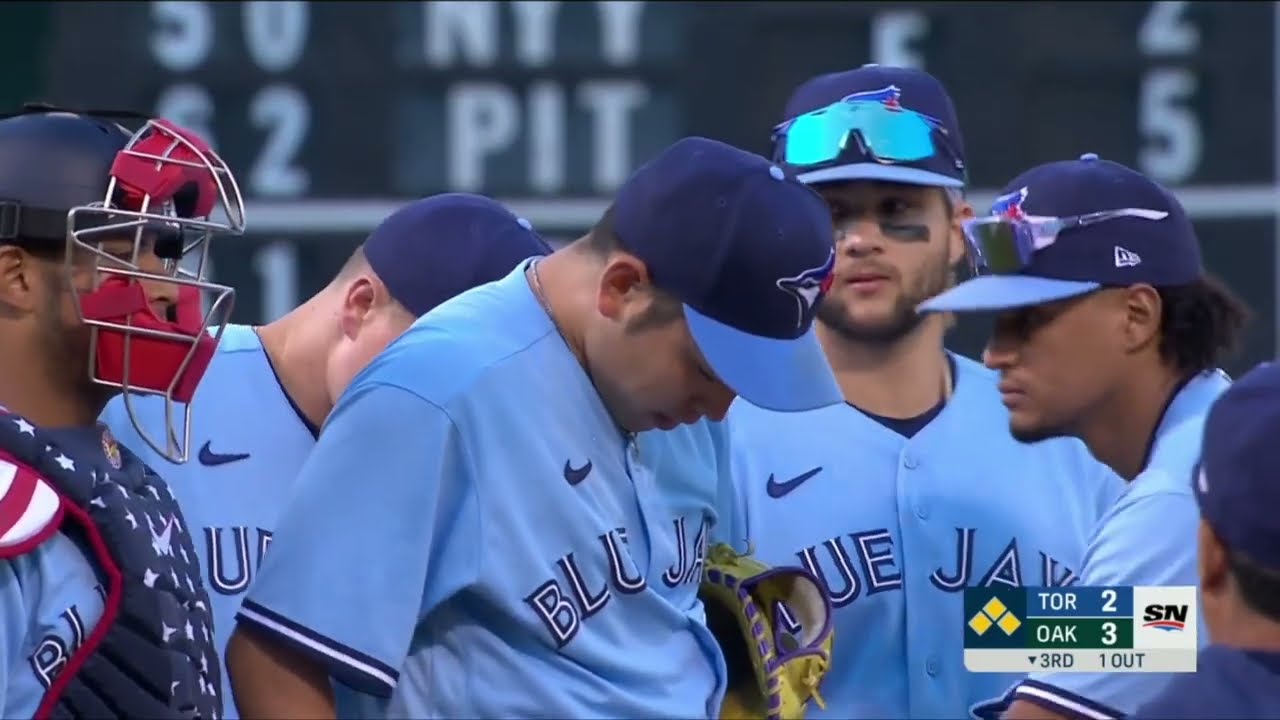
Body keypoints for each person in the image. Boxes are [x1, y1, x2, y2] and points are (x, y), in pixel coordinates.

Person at [224, 136, 843, 718]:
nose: (720, 408)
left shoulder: (684, 412)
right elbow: (275, 660)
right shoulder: (438, 389)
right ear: (623, 287)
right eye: (709, 369)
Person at [722, 64, 1123, 719]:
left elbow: (1173, 632)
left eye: (897, 210)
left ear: (959, 230)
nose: (861, 240)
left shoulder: (1070, 432)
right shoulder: (718, 439)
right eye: (831, 214)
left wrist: (993, 622)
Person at [100, 192, 553, 718]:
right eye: (441, 360)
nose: (461, 395)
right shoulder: (148, 392)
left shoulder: (470, 472)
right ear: (360, 306)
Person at [916, 153, 1249, 719]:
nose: (994, 355)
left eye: (1029, 320)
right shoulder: (1212, 435)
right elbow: (1158, 630)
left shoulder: (1178, 497)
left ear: (1136, 316)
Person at [0, 104, 245, 717]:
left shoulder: (124, 477)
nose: (168, 289)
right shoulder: (11, 500)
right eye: (128, 253)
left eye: (166, 256)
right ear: (16, 278)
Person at [1134, 361, 1280, 718]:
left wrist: (1010, 627)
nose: (1003, 356)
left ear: (1210, 553)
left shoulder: (1167, 492)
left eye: (1029, 333)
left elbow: (1155, 626)